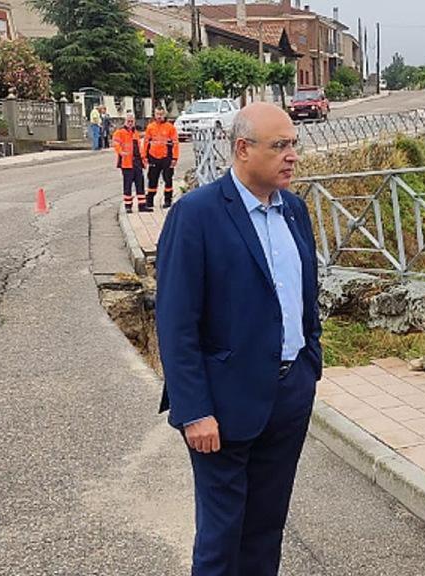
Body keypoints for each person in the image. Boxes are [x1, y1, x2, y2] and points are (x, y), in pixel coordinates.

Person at [154, 102, 321, 576]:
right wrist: (194, 410)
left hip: (288, 395)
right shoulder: (197, 215)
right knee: (221, 537)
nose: (292, 155)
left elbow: (304, 295)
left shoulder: (294, 211)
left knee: (266, 529)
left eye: (294, 144)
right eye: (280, 145)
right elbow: (176, 322)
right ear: (242, 149)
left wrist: (311, 362)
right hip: (222, 408)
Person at [144, 106, 180, 210]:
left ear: (164, 115)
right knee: (152, 179)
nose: (159, 116)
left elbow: (175, 143)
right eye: (157, 114)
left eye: (161, 114)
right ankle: (149, 201)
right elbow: (146, 142)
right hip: (153, 157)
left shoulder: (170, 127)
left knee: (168, 179)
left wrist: (175, 158)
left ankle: (168, 200)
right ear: (154, 115)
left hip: (167, 157)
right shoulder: (150, 127)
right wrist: (144, 156)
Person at [112, 112, 148, 213]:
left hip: (137, 163)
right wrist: (121, 152)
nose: (130, 123)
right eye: (129, 121)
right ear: (125, 121)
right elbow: (116, 143)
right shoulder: (120, 132)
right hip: (126, 163)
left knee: (140, 184)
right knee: (127, 185)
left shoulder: (135, 132)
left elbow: (138, 148)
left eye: (132, 121)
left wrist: (143, 160)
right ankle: (128, 206)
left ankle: (142, 205)